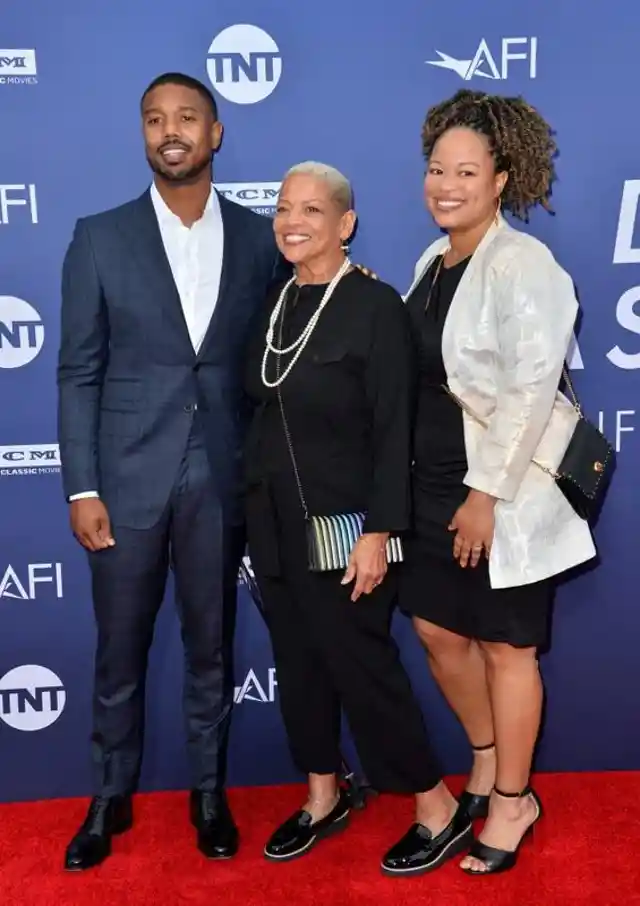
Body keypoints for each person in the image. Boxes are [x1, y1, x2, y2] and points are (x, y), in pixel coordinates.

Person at [56, 72, 292, 871]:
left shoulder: (262, 240)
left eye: (187, 117)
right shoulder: (98, 236)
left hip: (220, 480)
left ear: (216, 132)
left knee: (211, 649)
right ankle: (107, 796)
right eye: (155, 119)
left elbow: (287, 345)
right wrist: (82, 485)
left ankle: (208, 790)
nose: (171, 131)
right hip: (122, 484)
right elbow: (77, 372)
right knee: (117, 652)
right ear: (143, 135)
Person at [243, 160, 473, 875]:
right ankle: (323, 794)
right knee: (302, 666)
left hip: (347, 526)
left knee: (360, 665)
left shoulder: (375, 308)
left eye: (312, 211)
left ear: (344, 225)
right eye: (284, 209)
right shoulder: (276, 300)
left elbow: (393, 429)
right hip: (273, 525)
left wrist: (380, 532)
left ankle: (435, 805)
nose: (292, 221)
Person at [398, 89, 597, 875]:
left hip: (499, 493)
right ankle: (484, 757)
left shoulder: (526, 263)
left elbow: (529, 388)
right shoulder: (431, 259)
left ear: (502, 177)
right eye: (437, 169)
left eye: (466, 171)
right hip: (427, 485)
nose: (446, 184)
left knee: (508, 646)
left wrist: (485, 495)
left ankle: (513, 799)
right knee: (439, 632)